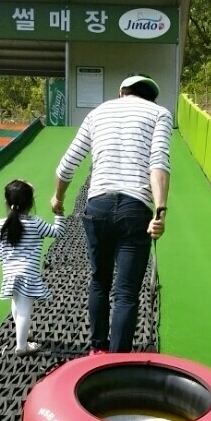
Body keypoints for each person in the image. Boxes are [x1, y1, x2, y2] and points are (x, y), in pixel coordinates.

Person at [51, 73, 172, 354]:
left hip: (97, 208)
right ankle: (117, 361)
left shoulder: (98, 113)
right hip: (135, 209)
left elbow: (68, 164)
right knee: (126, 292)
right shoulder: (159, 114)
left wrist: (58, 197)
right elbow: (158, 163)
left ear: (122, 92)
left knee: (99, 281)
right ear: (152, 97)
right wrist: (160, 211)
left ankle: (98, 350)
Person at [0, 179, 66, 355]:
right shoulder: (35, 223)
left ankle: (23, 334)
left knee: (16, 304)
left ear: (7, 202)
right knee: (25, 310)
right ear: (31, 203)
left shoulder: (2, 224)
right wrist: (59, 213)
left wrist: (6, 266)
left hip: (9, 272)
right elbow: (58, 232)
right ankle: (22, 346)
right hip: (28, 273)